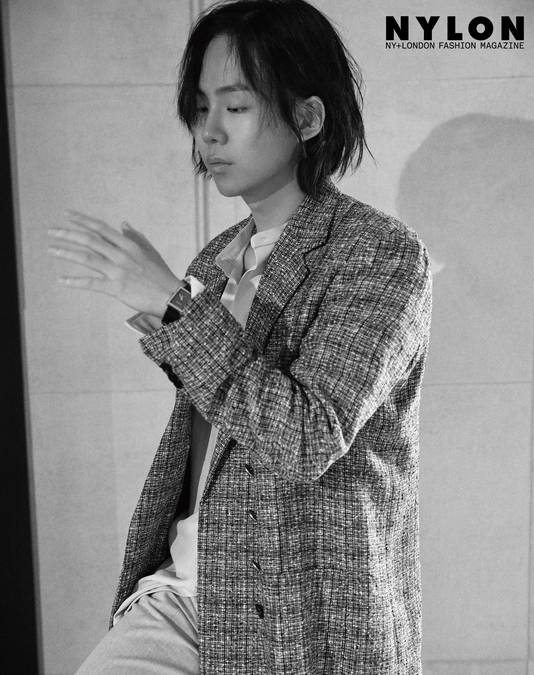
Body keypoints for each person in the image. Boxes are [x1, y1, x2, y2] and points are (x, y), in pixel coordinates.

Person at [48, 0, 433, 672]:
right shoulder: (217, 258)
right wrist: (173, 316)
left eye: (236, 105)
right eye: (201, 107)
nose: (210, 131)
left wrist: (174, 308)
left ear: (308, 118)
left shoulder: (380, 253)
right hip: (186, 593)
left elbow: (306, 438)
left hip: (303, 615)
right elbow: (223, 418)